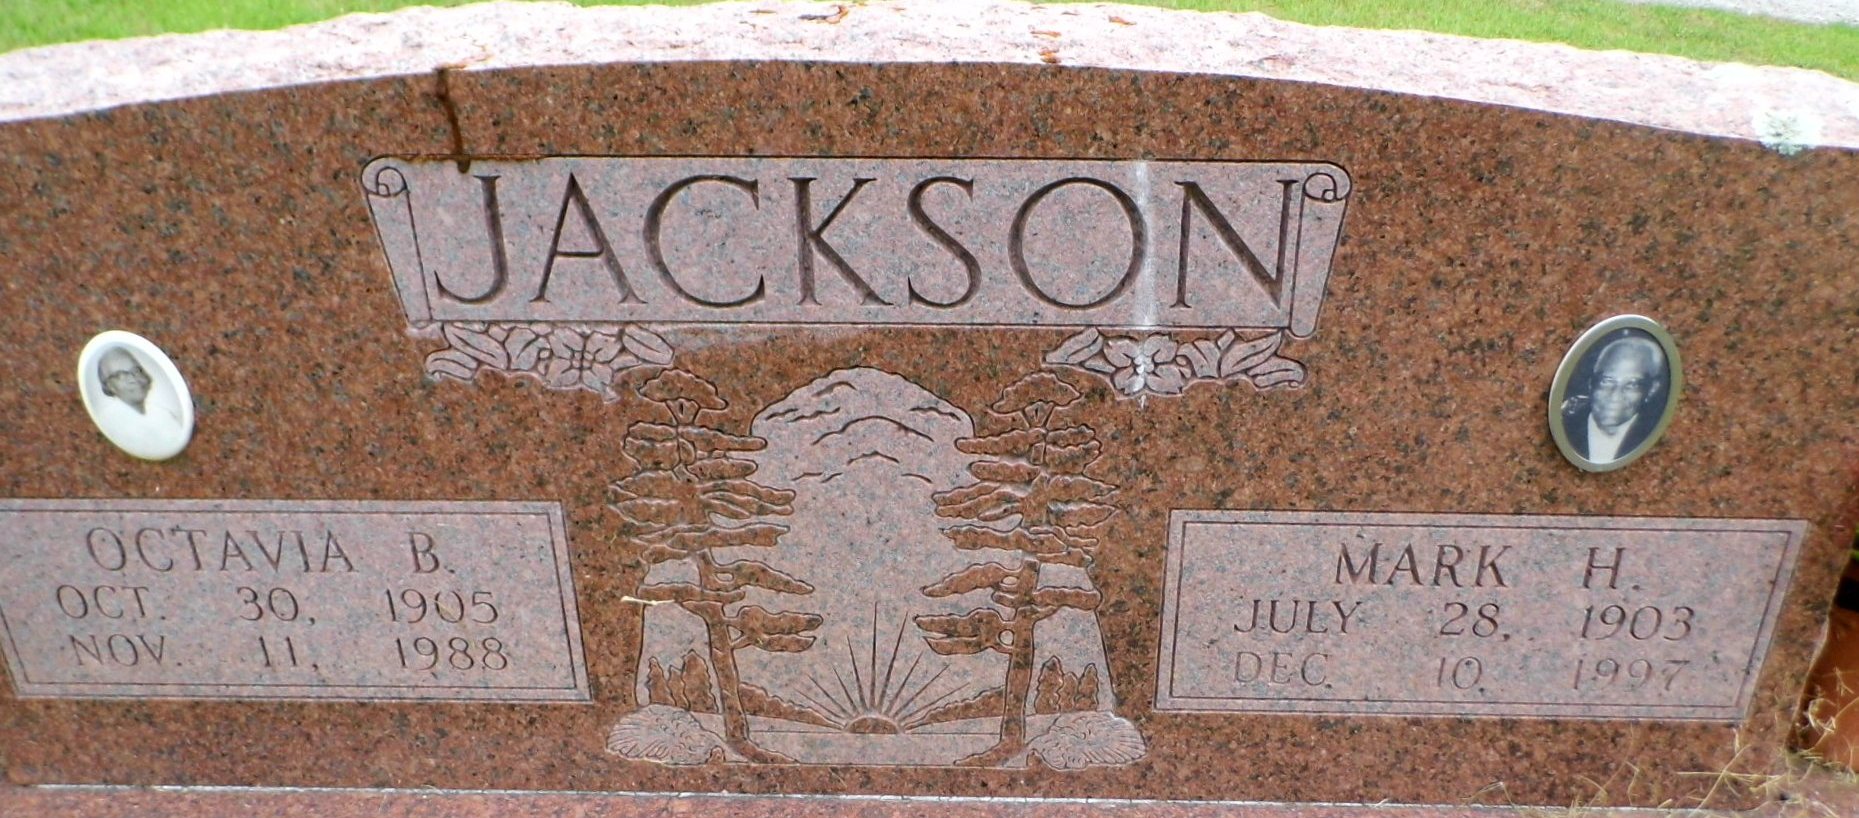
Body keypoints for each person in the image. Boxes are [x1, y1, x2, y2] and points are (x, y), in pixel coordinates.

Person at [1562, 333, 1667, 464]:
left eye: (1632, 385)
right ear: (1591, 383)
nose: (1615, 396)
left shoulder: (1657, 437)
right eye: (1607, 381)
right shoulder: (1565, 427)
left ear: (1651, 390)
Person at [92, 348, 184, 455]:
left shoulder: (163, 415)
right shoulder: (107, 422)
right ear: (109, 386)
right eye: (121, 375)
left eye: (136, 371)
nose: (133, 379)